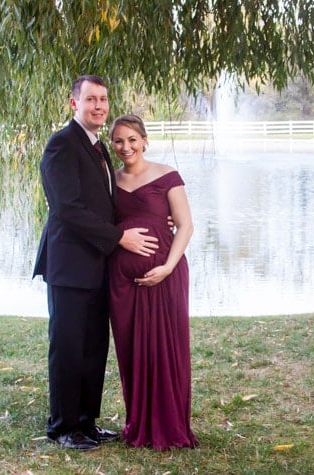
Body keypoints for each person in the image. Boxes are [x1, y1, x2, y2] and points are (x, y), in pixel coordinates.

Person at [33, 76, 160, 451]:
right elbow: (68, 208)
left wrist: (157, 220)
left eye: (103, 99)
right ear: (75, 104)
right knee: (69, 346)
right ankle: (63, 426)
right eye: (91, 99)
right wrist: (120, 238)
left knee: (93, 347)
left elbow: (109, 205)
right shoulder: (62, 145)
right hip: (70, 266)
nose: (99, 106)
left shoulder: (99, 147)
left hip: (97, 266)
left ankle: (87, 422)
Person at [107, 114, 198, 450]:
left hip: (165, 277)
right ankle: (139, 424)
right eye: (118, 140)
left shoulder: (167, 176)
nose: (126, 147)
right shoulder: (109, 181)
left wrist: (167, 268)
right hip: (122, 283)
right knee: (132, 351)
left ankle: (170, 426)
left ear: (145, 140)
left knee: (167, 350)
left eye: (132, 139)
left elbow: (186, 226)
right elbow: (102, 225)